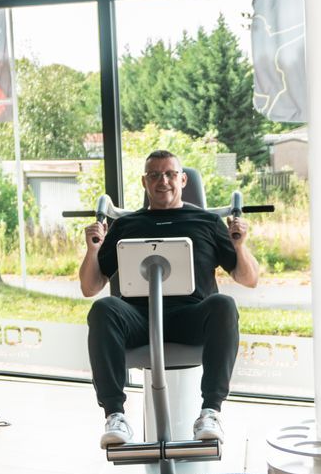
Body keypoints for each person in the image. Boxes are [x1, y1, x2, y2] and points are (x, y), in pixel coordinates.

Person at [79, 150, 259, 448]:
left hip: (190, 317)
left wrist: (240, 246)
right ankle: (115, 416)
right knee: (103, 307)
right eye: (154, 175)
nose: (163, 181)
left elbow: (248, 279)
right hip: (138, 319)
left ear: (183, 179)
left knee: (223, 304)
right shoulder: (126, 225)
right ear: (144, 182)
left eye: (170, 174)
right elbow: (90, 287)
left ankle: (210, 412)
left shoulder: (206, 222)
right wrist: (92, 249)